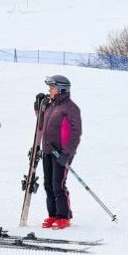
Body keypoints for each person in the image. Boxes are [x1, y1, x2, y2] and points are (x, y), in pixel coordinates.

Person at [36, 75, 82, 229]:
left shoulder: (71, 108)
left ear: (62, 89)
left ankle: (64, 216)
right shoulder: (50, 105)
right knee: (48, 184)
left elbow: (76, 133)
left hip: (61, 153)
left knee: (58, 185)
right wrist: (38, 107)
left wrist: (67, 152)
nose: (49, 90)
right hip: (48, 150)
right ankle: (53, 215)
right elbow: (42, 121)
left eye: (52, 88)